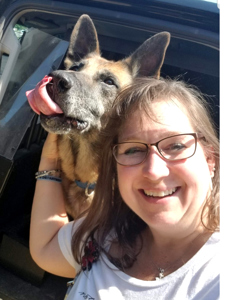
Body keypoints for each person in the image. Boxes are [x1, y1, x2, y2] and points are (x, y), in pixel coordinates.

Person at [29, 77, 220, 300]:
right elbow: (46, 247)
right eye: (132, 150)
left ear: (210, 158)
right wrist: (50, 159)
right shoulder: (105, 233)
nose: (153, 171)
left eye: (176, 145)